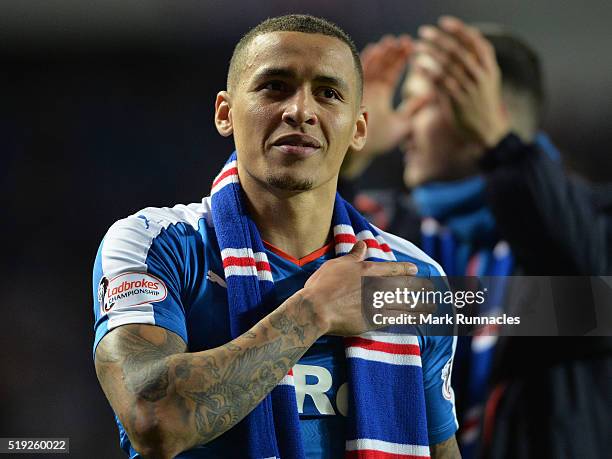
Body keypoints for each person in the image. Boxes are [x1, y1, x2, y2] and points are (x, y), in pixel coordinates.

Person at [93, 14, 461, 459]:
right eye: (275, 86)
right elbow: (153, 421)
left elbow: (441, 449)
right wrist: (315, 310)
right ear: (225, 113)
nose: (300, 111)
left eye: (328, 93)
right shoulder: (160, 246)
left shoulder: (417, 279)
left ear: (359, 128)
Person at [342, 16, 612, 459]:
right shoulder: (390, 226)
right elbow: (305, 283)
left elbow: (587, 301)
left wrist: (500, 146)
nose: (401, 125)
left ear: (484, 110)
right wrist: (347, 157)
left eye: (418, 103)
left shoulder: (595, 220)